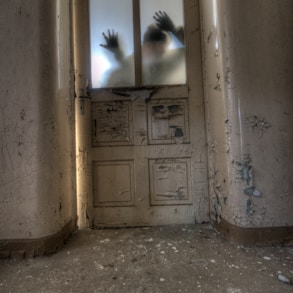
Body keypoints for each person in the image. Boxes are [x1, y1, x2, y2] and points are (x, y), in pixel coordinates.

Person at [100, 11, 185, 87]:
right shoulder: (136, 63)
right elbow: (128, 72)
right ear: (145, 46)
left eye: (159, 44)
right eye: (151, 45)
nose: (156, 49)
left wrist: (174, 30)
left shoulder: (173, 60)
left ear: (165, 45)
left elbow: (195, 48)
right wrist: (117, 52)